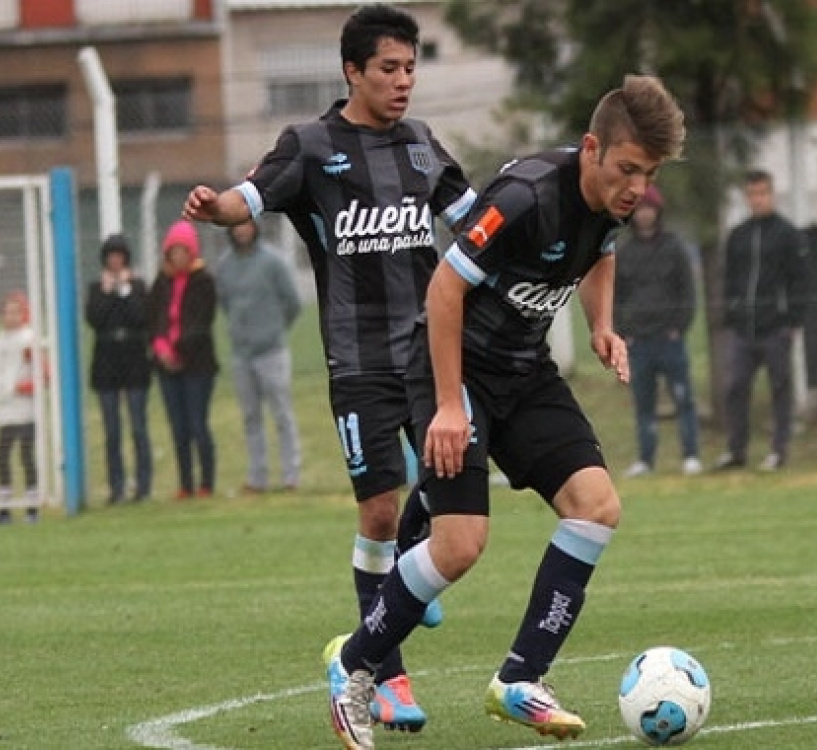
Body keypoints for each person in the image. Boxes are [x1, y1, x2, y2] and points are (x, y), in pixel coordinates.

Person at [323, 74, 686, 750]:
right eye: (628, 169)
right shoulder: (527, 197)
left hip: (524, 371)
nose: (637, 188)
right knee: (461, 546)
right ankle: (353, 667)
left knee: (596, 506)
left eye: (649, 174)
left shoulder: (609, 201)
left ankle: (520, 679)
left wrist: (602, 326)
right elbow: (443, 289)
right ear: (591, 149)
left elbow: (600, 253)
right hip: (454, 368)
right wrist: (448, 405)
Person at [182, 3, 475, 732]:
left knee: (454, 490)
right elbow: (247, 199)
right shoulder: (311, 147)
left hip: (429, 355)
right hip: (357, 361)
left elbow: (475, 222)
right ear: (352, 71)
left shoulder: (422, 145)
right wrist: (215, 207)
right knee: (378, 510)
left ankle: (407, 567)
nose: (403, 81)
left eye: (410, 68)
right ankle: (386, 676)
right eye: (388, 69)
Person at [714, 169, 809, 472]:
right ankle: (736, 450)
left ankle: (779, 450)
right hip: (743, 328)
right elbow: (730, 279)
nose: (757, 200)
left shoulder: (787, 234)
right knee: (736, 387)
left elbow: (799, 280)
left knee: (780, 388)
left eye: (762, 194)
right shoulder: (738, 236)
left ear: (772, 194)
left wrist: (792, 320)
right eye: (752, 195)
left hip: (776, 327)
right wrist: (731, 313)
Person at [613, 184, 702, 477]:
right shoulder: (625, 252)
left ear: (657, 211)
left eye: (648, 208)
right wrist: (623, 331)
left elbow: (687, 291)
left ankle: (691, 455)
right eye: (639, 209)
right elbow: (615, 297)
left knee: (683, 398)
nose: (644, 215)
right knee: (644, 403)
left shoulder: (674, 247)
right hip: (638, 341)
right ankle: (646, 459)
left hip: (669, 339)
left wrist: (679, 326)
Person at [215, 219, 302, 494]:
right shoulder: (225, 265)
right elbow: (226, 303)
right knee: (251, 417)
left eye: (246, 225)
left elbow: (292, 302)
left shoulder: (272, 261)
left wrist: (274, 329)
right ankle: (257, 477)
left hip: (272, 351)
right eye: (237, 226)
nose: (242, 230)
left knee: (282, 414)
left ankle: (290, 475)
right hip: (241, 354)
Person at [148, 219, 219, 499]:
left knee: (197, 424)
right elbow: (154, 319)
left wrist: (177, 349)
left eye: (183, 251)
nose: (178, 257)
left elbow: (201, 323)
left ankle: (206, 483)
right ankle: (185, 484)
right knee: (178, 428)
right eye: (173, 251)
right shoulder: (161, 282)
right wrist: (161, 348)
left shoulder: (203, 282)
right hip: (167, 366)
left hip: (197, 365)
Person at [85, 234, 153, 504]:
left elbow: (141, 317)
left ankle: (143, 486)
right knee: (112, 430)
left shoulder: (137, 286)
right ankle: (117, 487)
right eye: (111, 256)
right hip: (106, 361)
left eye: (119, 256)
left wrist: (124, 290)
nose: (115, 260)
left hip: (134, 359)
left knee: (138, 426)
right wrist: (106, 292)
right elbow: (94, 319)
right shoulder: (96, 288)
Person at [0, 291, 43, 524]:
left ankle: (32, 508)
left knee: (26, 455)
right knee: (1, 455)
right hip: (5, 408)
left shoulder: (28, 338)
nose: (10, 317)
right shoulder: (0, 338)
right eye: (7, 312)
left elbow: (44, 372)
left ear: (24, 314)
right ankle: (5, 507)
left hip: (25, 409)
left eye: (15, 312)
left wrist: (24, 387)